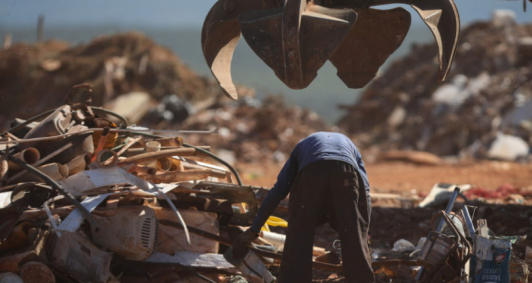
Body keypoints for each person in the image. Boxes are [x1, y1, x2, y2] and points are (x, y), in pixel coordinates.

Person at [232, 132, 374, 283]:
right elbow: (365, 193)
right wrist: (363, 234)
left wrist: (254, 229)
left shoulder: (300, 148)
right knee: (352, 233)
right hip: (345, 172)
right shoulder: (351, 147)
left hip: (311, 173)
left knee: (299, 235)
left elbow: (278, 191)